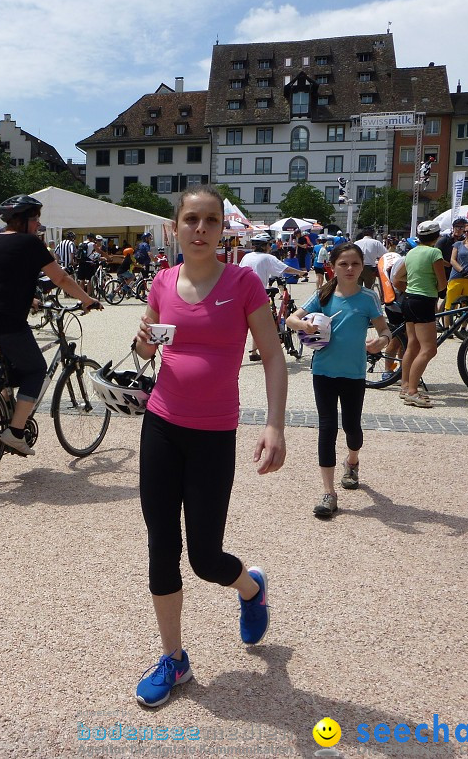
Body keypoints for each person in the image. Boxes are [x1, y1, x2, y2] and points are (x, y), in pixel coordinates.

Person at [132, 185, 286, 708]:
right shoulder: (161, 282)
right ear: (174, 227)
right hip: (161, 425)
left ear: (224, 228)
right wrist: (143, 342)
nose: (200, 229)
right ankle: (174, 659)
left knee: (204, 557)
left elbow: (271, 355)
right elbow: (149, 347)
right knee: (161, 545)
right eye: (190, 219)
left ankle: (250, 587)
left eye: (210, 221)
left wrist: (275, 425)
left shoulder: (244, 283)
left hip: (215, 433)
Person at [0, 195, 101, 456]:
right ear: (24, 221)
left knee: (11, 364)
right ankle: (14, 433)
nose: (38, 225)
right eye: (35, 219)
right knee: (36, 369)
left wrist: (30, 298)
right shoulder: (29, 243)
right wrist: (87, 299)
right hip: (4, 319)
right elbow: (60, 277)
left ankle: (6, 401)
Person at [286, 244, 390, 518]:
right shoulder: (323, 294)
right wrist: (304, 325)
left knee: (352, 427)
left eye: (355, 264)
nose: (350, 269)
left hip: (354, 374)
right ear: (332, 266)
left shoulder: (368, 298)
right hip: (323, 372)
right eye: (343, 264)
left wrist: (380, 341)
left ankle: (352, 461)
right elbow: (290, 319)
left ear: (362, 266)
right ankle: (328, 493)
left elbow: (385, 330)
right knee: (327, 428)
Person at [392, 220, 447, 408]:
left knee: (412, 344)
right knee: (429, 348)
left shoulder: (411, 252)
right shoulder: (435, 253)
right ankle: (413, 392)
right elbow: (442, 283)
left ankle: (405, 385)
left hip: (409, 300)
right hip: (424, 302)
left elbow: (397, 277)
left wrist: (409, 287)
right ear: (437, 236)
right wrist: (439, 289)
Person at [238, 234, 306, 361]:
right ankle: (268, 348)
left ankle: (253, 352)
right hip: (258, 293)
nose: (271, 247)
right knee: (262, 323)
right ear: (265, 246)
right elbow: (285, 268)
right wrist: (300, 272)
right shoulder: (268, 257)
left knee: (251, 322)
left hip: (243, 293)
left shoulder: (247, 256)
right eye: (269, 244)